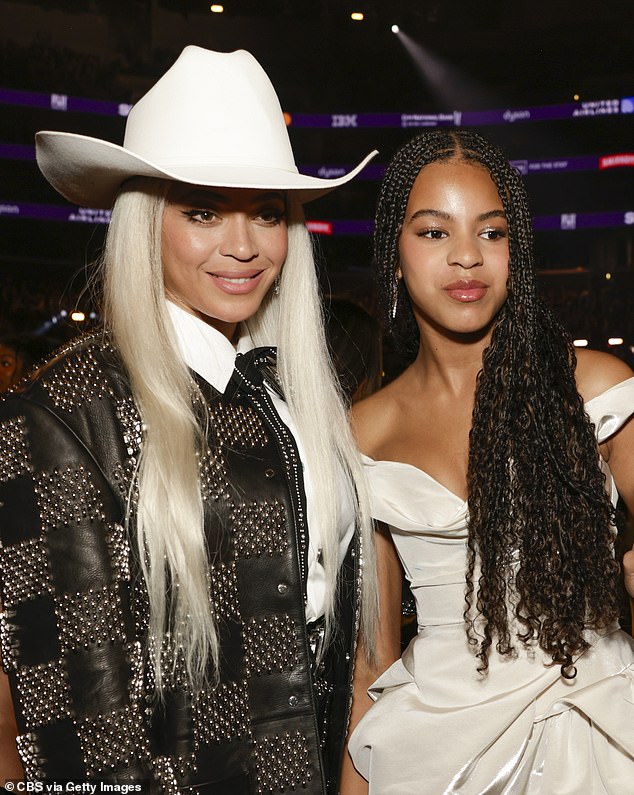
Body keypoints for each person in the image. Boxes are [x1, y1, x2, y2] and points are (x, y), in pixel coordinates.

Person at [0, 46, 379, 793]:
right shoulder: (62, 414)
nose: (242, 246)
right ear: (145, 222)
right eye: (202, 210)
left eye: (267, 213)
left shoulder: (294, 398)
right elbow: (81, 730)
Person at [341, 129, 634, 794]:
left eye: (492, 233)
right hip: (432, 749)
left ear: (517, 251)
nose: (467, 257)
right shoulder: (362, 432)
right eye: (434, 233)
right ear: (394, 252)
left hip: (596, 731)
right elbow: (370, 660)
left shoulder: (595, 389)